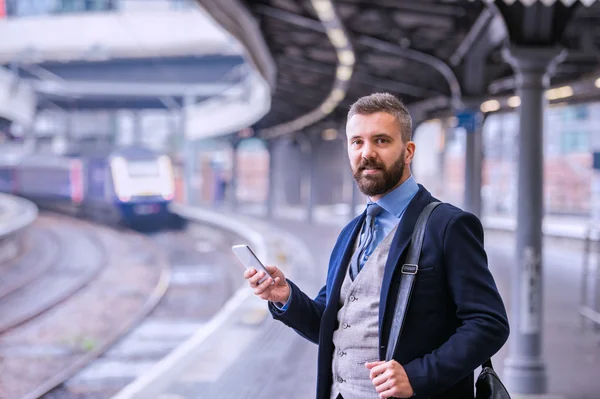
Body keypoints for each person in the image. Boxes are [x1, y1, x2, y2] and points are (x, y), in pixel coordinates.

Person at [244, 93, 509, 399]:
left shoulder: (448, 226)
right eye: (357, 142)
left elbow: (489, 323)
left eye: (381, 141)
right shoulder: (350, 233)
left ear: (408, 151)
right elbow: (330, 326)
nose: (366, 153)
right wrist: (286, 297)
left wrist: (418, 375)